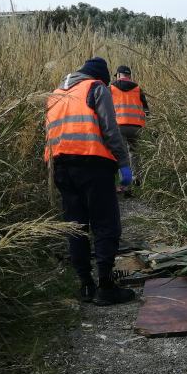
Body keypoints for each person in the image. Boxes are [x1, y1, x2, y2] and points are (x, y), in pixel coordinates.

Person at [45, 56, 136, 305]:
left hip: (61, 168)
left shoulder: (55, 95)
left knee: (76, 227)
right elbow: (110, 129)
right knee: (106, 225)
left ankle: (85, 286)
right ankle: (106, 287)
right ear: (101, 76)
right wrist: (124, 164)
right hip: (93, 165)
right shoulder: (96, 88)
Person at [109, 65, 149, 194]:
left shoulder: (112, 88)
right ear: (129, 76)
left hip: (119, 126)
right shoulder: (138, 89)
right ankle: (137, 177)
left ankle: (126, 187)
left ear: (119, 75)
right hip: (136, 126)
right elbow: (147, 110)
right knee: (134, 153)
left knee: (123, 156)